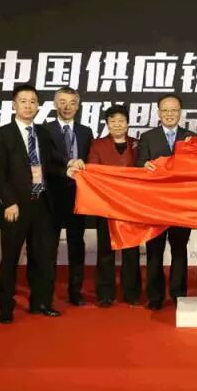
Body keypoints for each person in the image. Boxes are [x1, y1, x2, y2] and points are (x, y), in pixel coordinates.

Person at [0, 83, 61, 323]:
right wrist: (9, 202)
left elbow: (52, 165)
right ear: (14, 105)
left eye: (32, 101)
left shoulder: (43, 133)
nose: (28, 106)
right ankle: (5, 307)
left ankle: (41, 302)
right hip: (16, 207)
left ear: (38, 106)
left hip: (43, 204)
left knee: (43, 257)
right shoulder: (3, 134)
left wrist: (70, 168)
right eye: (23, 101)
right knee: (10, 259)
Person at [135, 94, 197, 311]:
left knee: (179, 251)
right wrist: (144, 165)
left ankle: (179, 294)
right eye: (165, 110)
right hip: (155, 205)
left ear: (180, 113)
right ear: (159, 113)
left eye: (174, 110)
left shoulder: (191, 137)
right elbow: (139, 163)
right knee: (155, 251)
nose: (169, 114)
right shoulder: (148, 137)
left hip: (182, 205)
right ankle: (155, 296)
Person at [86, 105, 142, 307]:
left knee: (131, 251)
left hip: (131, 206)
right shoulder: (97, 145)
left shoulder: (137, 144)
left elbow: (144, 169)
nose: (117, 124)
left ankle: (132, 293)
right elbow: (92, 170)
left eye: (121, 121)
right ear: (107, 124)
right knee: (105, 251)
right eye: (112, 121)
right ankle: (105, 293)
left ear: (127, 123)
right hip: (106, 205)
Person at [44, 87, 93, 306]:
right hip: (51, 196)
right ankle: (46, 292)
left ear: (78, 106)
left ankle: (75, 291)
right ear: (55, 104)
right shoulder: (44, 130)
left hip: (78, 196)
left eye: (72, 103)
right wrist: (68, 165)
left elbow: (90, 161)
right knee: (49, 246)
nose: (67, 107)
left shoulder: (85, 131)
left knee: (76, 245)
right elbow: (45, 159)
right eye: (62, 102)